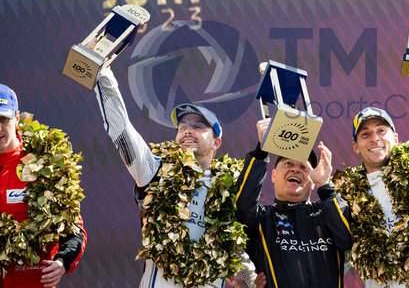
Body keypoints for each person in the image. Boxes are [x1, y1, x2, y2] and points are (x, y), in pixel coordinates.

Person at [93, 68, 259, 288]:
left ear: (216, 142)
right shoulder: (156, 170)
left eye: (198, 126)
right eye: (182, 127)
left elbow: (236, 248)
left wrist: (248, 280)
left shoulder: (229, 189)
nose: (187, 131)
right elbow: (121, 130)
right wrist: (103, 74)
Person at [335, 39, 409, 288]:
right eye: (365, 134)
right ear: (355, 146)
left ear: (396, 139)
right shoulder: (347, 197)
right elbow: (334, 258)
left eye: (381, 131)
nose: (375, 138)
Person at [234, 119, 352, 288]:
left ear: (312, 181)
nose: (295, 169)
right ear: (273, 175)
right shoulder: (261, 218)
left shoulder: (326, 214)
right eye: (288, 163)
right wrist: (261, 151)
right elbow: (243, 204)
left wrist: (325, 185)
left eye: (304, 167)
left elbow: (348, 239)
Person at [0, 83, 86, 288]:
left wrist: (62, 261)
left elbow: (73, 230)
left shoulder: (43, 166)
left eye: (3, 119)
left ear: (17, 118)